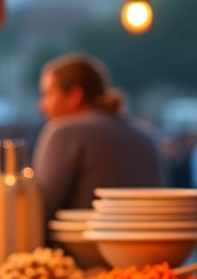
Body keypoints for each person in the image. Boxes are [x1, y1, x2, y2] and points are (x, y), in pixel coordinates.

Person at [33, 53, 163, 222]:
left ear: (74, 96)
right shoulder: (147, 135)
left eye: (48, 94)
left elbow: (37, 212)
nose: (41, 106)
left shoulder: (63, 132)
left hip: (79, 247)